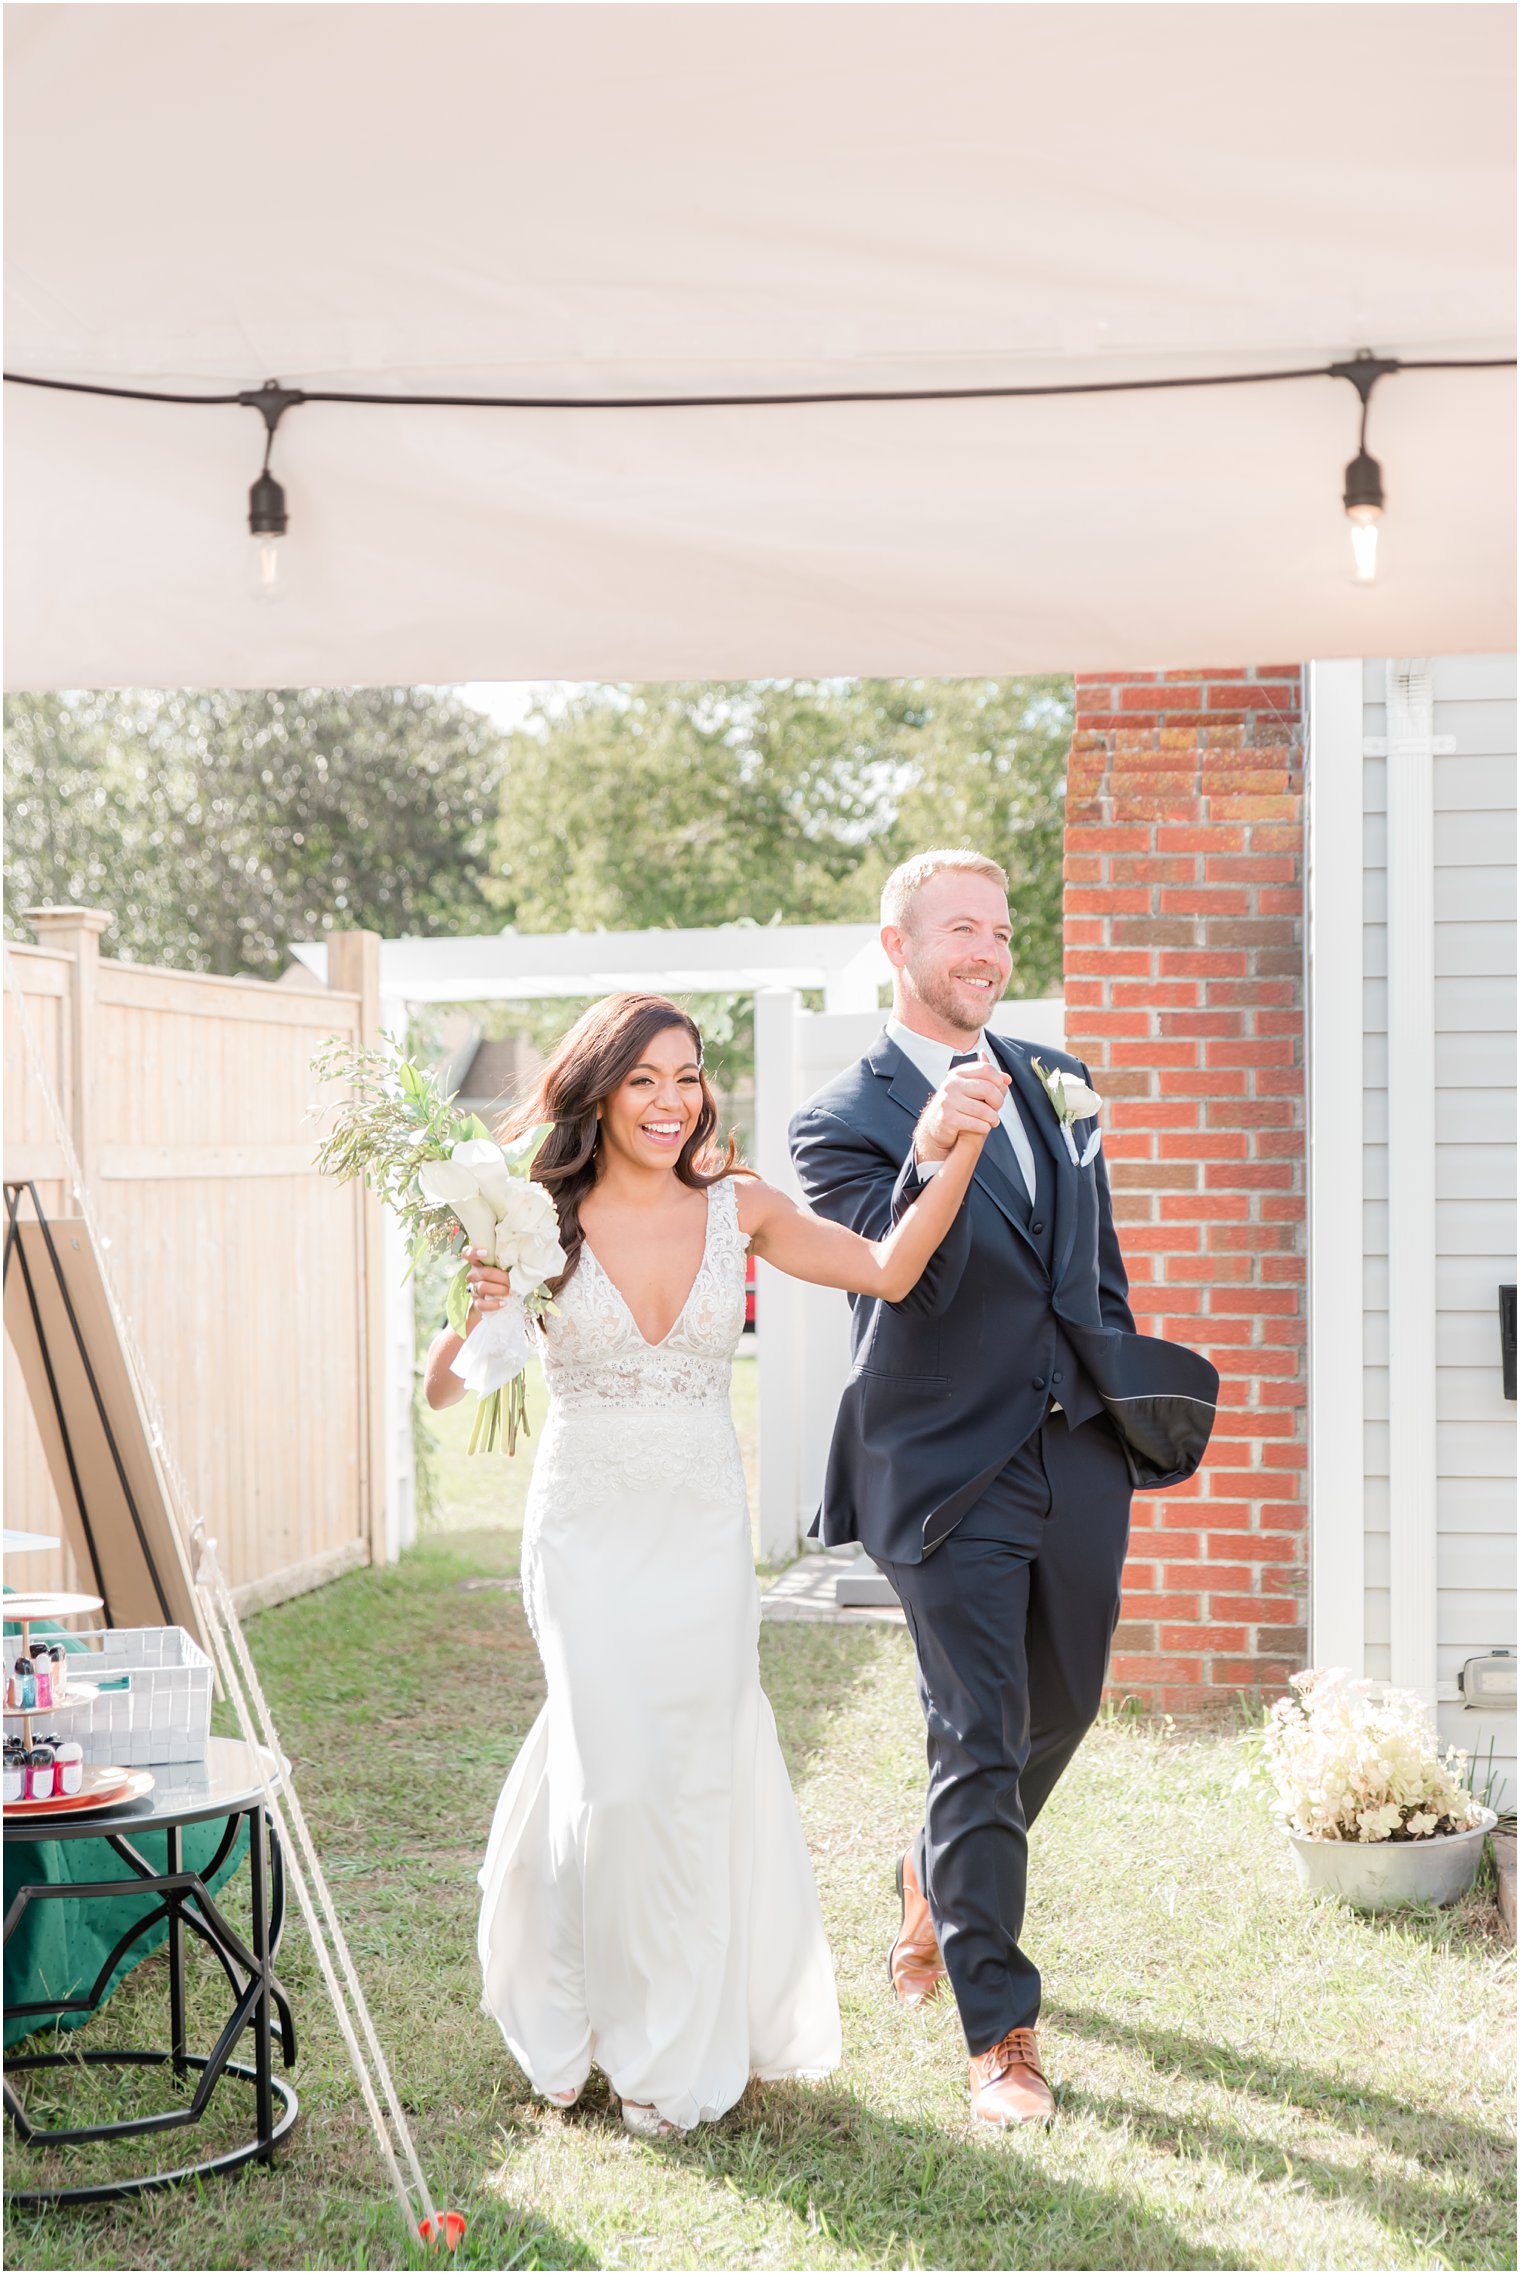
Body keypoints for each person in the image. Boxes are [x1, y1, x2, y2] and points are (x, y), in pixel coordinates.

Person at [428, 991, 996, 2138]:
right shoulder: (532, 1215)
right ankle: (570, 2014)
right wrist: (478, 1305)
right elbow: (447, 1388)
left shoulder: (738, 1206)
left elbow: (884, 1269)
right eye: (643, 1079)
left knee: (679, 1782)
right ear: (598, 1089)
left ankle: (661, 2048)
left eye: (686, 1077)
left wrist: (963, 1148)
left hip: (695, 1532)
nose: (669, 1100)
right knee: (613, 1777)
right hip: (584, 1531)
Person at [789, 850, 1218, 2129]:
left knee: (1065, 1706)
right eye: (959, 928)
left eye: (1001, 930)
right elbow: (890, 1274)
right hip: (939, 1472)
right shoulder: (840, 1119)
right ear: (896, 945)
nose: (986, 949)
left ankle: (931, 1868)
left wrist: (1122, 1384)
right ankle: (1000, 2036)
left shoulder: (1049, 1078)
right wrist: (935, 1150)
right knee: (974, 1729)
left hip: (1074, 1452)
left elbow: (1093, 1261)